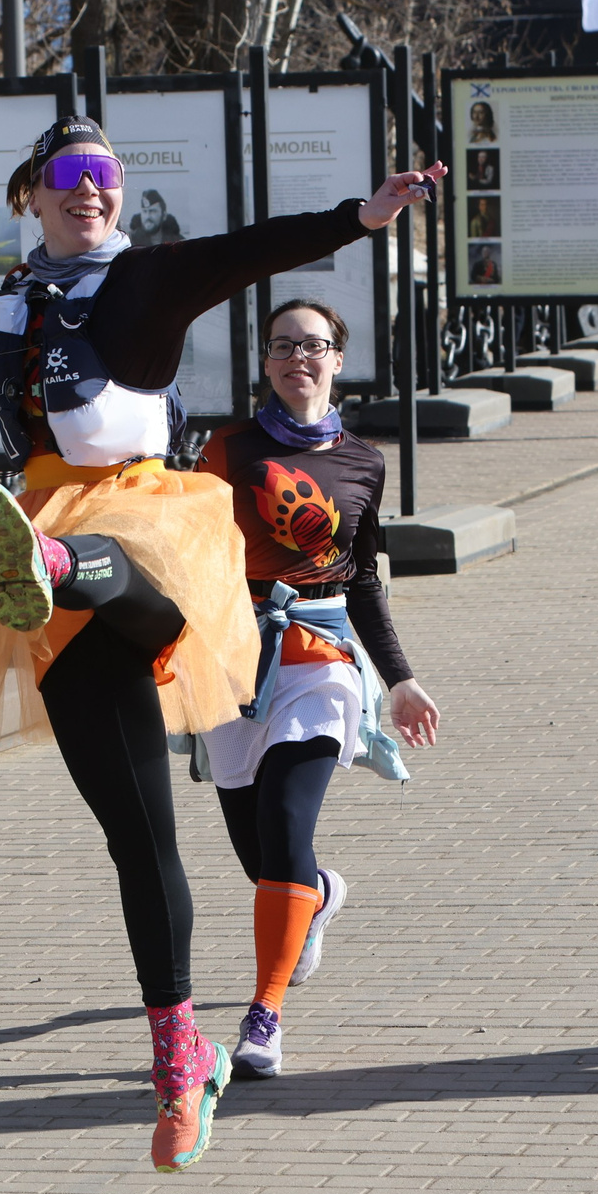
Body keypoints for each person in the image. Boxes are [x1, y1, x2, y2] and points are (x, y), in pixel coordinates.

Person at [0, 115, 445, 1170]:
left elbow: (245, 250)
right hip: (38, 524)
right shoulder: (15, 295)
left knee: (107, 570)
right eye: (70, 176)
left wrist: (358, 215)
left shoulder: (143, 283)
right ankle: (183, 1053)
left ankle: (56, 568)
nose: (91, 192)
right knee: (137, 834)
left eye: (106, 176)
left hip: (144, 533)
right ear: (31, 191)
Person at [198, 299, 440, 1079]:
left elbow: (362, 577)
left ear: (339, 357)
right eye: (282, 346)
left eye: (314, 345)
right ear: (265, 361)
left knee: (283, 817)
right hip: (232, 655)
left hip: (320, 654)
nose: (297, 357)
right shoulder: (227, 448)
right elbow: (191, 552)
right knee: (264, 856)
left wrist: (398, 677)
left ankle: (263, 1014)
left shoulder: (364, 461)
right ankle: (322, 891)